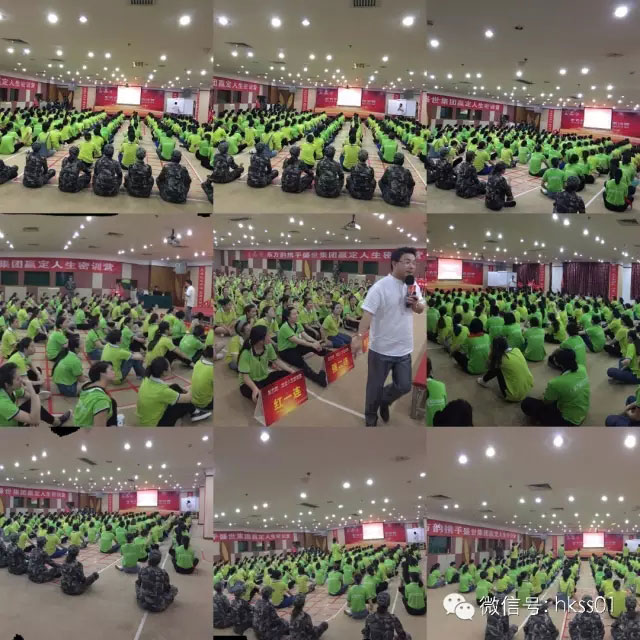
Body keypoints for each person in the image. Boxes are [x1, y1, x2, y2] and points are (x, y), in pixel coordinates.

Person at [352, 247, 424, 426]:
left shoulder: (412, 285)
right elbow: (367, 313)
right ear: (394, 263)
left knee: (404, 386)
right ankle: (370, 416)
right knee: (374, 387)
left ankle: (384, 401)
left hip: (404, 348)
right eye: (407, 262)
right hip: (381, 350)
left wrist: (416, 305)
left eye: (414, 263)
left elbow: (420, 308)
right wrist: (359, 337)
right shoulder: (380, 287)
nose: (412, 266)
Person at [521, 348, 590, 426]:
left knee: (527, 403)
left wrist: (545, 396)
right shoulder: (582, 368)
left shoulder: (555, 383)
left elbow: (546, 402)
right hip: (582, 411)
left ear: (558, 363)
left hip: (568, 420)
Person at [136, 356, 211, 425]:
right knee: (182, 403)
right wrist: (194, 384)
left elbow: (166, 385)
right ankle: (195, 412)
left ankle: (194, 411)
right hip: (156, 424)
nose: (170, 367)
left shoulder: (147, 379)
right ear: (164, 372)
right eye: (169, 366)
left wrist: (180, 387)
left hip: (146, 418)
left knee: (174, 386)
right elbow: (189, 398)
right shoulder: (162, 391)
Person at [238, 325, 296, 402]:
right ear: (260, 340)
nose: (270, 337)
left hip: (264, 377)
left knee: (288, 374)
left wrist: (290, 370)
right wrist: (254, 389)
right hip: (250, 383)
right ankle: (266, 392)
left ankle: (269, 391)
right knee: (259, 395)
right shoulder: (246, 353)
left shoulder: (268, 346)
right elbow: (245, 377)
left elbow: (276, 360)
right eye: (268, 335)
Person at [0, 362, 70, 426]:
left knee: (32, 405)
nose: (21, 379)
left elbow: (29, 396)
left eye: (20, 376)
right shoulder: (3, 403)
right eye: (18, 379)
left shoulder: (11, 388)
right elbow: (35, 421)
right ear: (7, 384)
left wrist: (40, 396)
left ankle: (56, 422)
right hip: (8, 429)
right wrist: (31, 390)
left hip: (11, 419)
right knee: (34, 418)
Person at [277, 307, 329, 387]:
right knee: (302, 364)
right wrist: (312, 344)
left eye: (297, 313)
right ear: (288, 317)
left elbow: (305, 336)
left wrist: (315, 342)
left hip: (295, 346)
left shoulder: (297, 324)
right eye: (294, 314)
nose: (297, 315)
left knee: (314, 347)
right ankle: (318, 379)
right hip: (286, 351)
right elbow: (297, 340)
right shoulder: (285, 327)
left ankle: (329, 354)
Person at [477, 337, 534, 402]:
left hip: (514, 396)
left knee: (496, 369)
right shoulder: (516, 350)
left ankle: (483, 381)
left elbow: (488, 366)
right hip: (527, 388)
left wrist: (491, 353)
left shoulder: (500, 359)